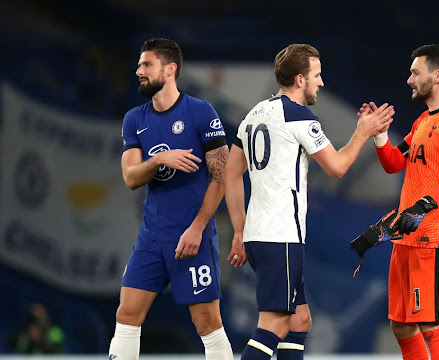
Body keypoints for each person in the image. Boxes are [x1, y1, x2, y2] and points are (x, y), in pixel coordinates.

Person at [223, 43, 395, 360]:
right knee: (274, 324)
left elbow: (230, 174)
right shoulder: (300, 116)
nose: (321, 82)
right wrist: (362, 132)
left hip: (260, 234)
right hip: (281, 235)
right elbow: (338, 167)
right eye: (317, 75)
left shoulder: (254, 115)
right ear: (300, 79)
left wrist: (238, 230)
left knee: (300, 319)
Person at [109, 38, 233, 360]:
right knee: (127, 314)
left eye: (146, 64)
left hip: (192, 234)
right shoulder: (135, 119)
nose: (138, 71)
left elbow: (222, 177)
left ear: (170, 69)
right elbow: (131, 178)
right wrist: (159, 160)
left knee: (207, 322)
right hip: (152, 235)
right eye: (139, 65)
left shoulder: (201, 112)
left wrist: (197, 228)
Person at [352, 44, 439, 360]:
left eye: (414, 73)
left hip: (431, 238)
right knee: (401, 325)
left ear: (438, 76)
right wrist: (380, 136)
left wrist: (422, 206)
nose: (409, 79)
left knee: (431, 323)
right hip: (404, 238)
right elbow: (395, 162)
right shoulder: (423, 121)